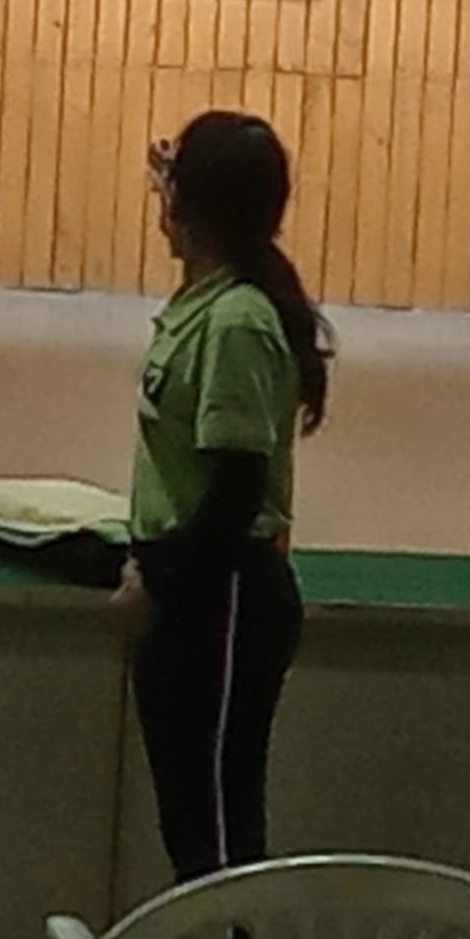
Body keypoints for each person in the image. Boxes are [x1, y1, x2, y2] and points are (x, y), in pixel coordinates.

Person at [111, 110, 334, 888]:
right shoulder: (210, 299)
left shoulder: (236, 321)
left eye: (171, 187)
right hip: (201, 593)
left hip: (220, 599)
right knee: (193, 832)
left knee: (217, 846)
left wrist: (157, 582)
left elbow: (235, 493)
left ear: (194, 206)